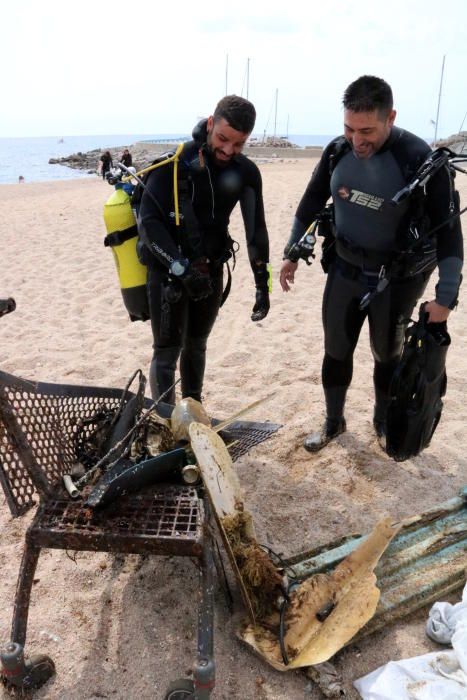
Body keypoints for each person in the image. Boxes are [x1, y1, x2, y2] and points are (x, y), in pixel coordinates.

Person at [280, 75, 463, 452]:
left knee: (387, 353)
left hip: (395, 280)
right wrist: (291, 252)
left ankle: (381, 421)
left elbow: (450, 238)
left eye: (367, 131)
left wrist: (445, 300)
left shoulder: (419, 161)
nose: (357, 140)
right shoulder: (336, 151)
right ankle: (334, 421)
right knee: (336, 348)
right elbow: (310, 203)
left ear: (390, 117)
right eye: (349, 128)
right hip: (345, 269)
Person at [137, 95, 270, 404]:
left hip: (210, 270)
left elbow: (257, 232)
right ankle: (166, 424)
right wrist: (180, 268)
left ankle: (192, 411)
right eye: (223, 138)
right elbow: (149, 223)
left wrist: (263, 284)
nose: (227, 150)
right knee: (167, 351)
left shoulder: (246, 173)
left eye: (238, 144)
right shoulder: (174, 164)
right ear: (211, 123)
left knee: (197, 345)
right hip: (168, 270)